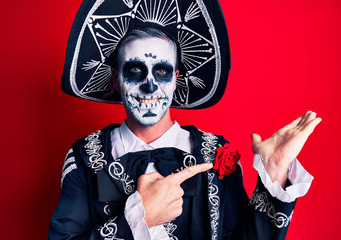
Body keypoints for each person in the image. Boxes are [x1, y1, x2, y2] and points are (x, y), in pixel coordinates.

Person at [49, 1, 321, 239]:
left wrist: (275, 171)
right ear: (116, 81)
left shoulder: (215, 154)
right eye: (134, 70)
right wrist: (138, 219)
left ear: (176, 79)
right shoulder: (85, 155)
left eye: (162, 71)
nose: (150, 86)